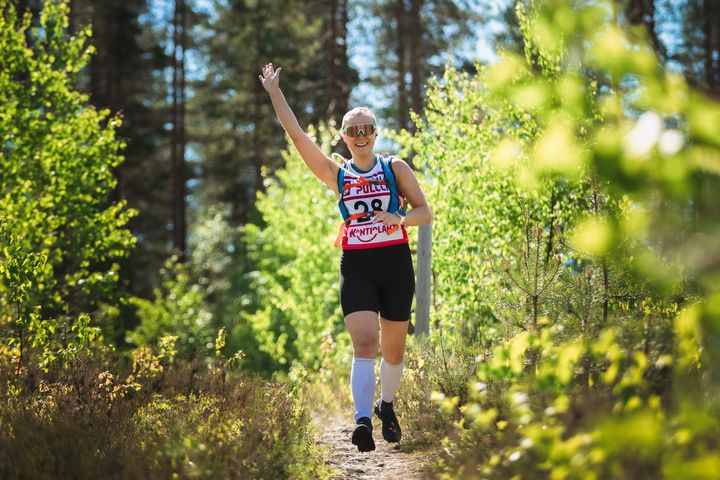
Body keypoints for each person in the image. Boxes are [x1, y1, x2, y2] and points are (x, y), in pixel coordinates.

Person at [259, 63, 433, 453]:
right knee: (364, 344)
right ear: (343, 137)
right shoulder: (337, 174)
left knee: (394, 351)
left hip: (394, 263)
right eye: (352, 130)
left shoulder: (395, 168)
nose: (359, 136)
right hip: (356, 266)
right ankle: (361, 421)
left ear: (375, 133)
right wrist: (275, 92)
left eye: (365, 129)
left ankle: (386, 406)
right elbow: (298, 136)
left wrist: (400, 217)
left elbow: (426, 213)